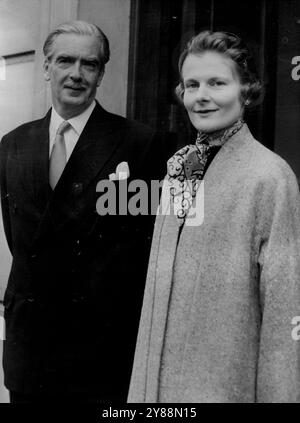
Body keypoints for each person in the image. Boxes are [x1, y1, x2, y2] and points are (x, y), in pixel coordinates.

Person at [0, 20, 170, 403]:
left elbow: (141, 248)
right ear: (46, 67)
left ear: (101, 73)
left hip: (99, 352)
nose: (76, 74)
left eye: (89, 65)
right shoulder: (12, 145)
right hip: (29, 349)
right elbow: (20, 240)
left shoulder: (140, 145)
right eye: (65, 61)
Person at [128, 30, 300, 403]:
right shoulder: (180, 169)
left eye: (217, 83)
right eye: (192, 85)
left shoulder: (269, 176)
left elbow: (283, 308)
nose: (201, 96)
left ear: (247, 90)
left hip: (226, 385)